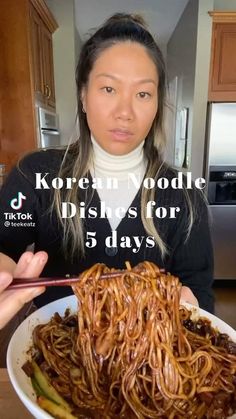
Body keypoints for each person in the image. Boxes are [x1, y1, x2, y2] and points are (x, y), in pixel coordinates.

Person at [0, 13, 214, 329]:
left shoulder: (184, 194)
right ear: (84, 95)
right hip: (54, 348)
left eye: (143, 93)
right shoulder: (33, 175)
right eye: (109, 89)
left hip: (147, 365)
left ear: (156, 104)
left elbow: (199, 292)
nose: (124, 112)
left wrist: (189, 304)